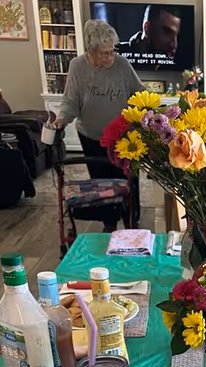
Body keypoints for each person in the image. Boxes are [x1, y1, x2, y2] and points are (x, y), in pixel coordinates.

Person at [54, 19, 143, 230]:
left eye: (112, 51)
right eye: (104, 53)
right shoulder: (77, 66)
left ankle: (132, 222)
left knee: (129, 182)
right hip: (91, 137)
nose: (110, 57)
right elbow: (70, 102)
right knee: (102, 183)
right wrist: (61, 120)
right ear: (91, 52)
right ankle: (109, 223)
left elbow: (140, 93)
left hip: (123, 139)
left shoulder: (122, 65)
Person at [117, 5, 182, 65]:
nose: (174, 45)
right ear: (147, 28)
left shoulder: (173, 67)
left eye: (176, 35)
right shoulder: (116, 55)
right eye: (167, 32)